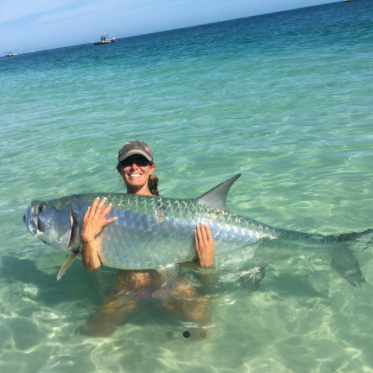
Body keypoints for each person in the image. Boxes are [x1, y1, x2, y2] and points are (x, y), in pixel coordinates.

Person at [80, 140, 214, 337]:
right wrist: (86, 238)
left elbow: (178, 258)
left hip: (169, 286)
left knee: (205, 330)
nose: (134, 166)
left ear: (151, 168)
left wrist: (203, 263)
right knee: (95, 331)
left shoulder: (164, 211)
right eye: (128, 162)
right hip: (128, 291)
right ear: (119, 169)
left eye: (141, 161)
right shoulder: (105, 211)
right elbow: (93, 267)